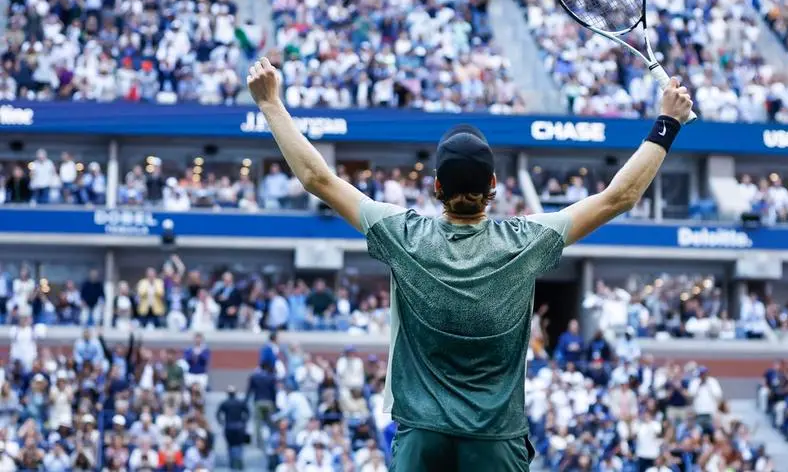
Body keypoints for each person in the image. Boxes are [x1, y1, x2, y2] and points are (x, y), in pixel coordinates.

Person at [246, 57, 694, 471]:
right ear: (494, 184)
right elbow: (620, 196)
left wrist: (270, 103)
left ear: (436, 184)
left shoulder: (403, 234)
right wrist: (667, 124)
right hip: (496, 442)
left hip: (420, 440)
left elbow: (317, 179)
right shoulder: (524, 242)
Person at [218, 385, 250, 470]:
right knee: (239, 445)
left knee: (230, 445)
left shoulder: (225, 403)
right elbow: (248, 413)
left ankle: (232, 462)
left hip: (229, 427)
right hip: (239, 427)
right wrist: (244, 422)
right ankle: (238, 461)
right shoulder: (240, 402)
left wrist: (221, 422)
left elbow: (218, 414)